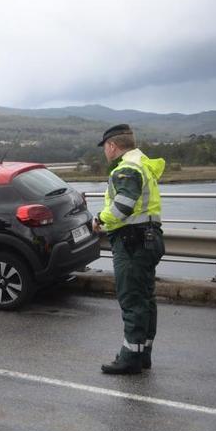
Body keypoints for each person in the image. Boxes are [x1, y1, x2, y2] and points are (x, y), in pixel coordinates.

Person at [93, 124, 165, 375]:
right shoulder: (142, 163)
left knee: (132, 299)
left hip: (132, 241)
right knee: (145, 298)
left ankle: (129, 359)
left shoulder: (126, 169)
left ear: (112, 146)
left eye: (105, 147)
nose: (105, 152)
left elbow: (122, 206)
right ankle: (142, 353)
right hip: (148, 237)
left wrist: (99, 220)